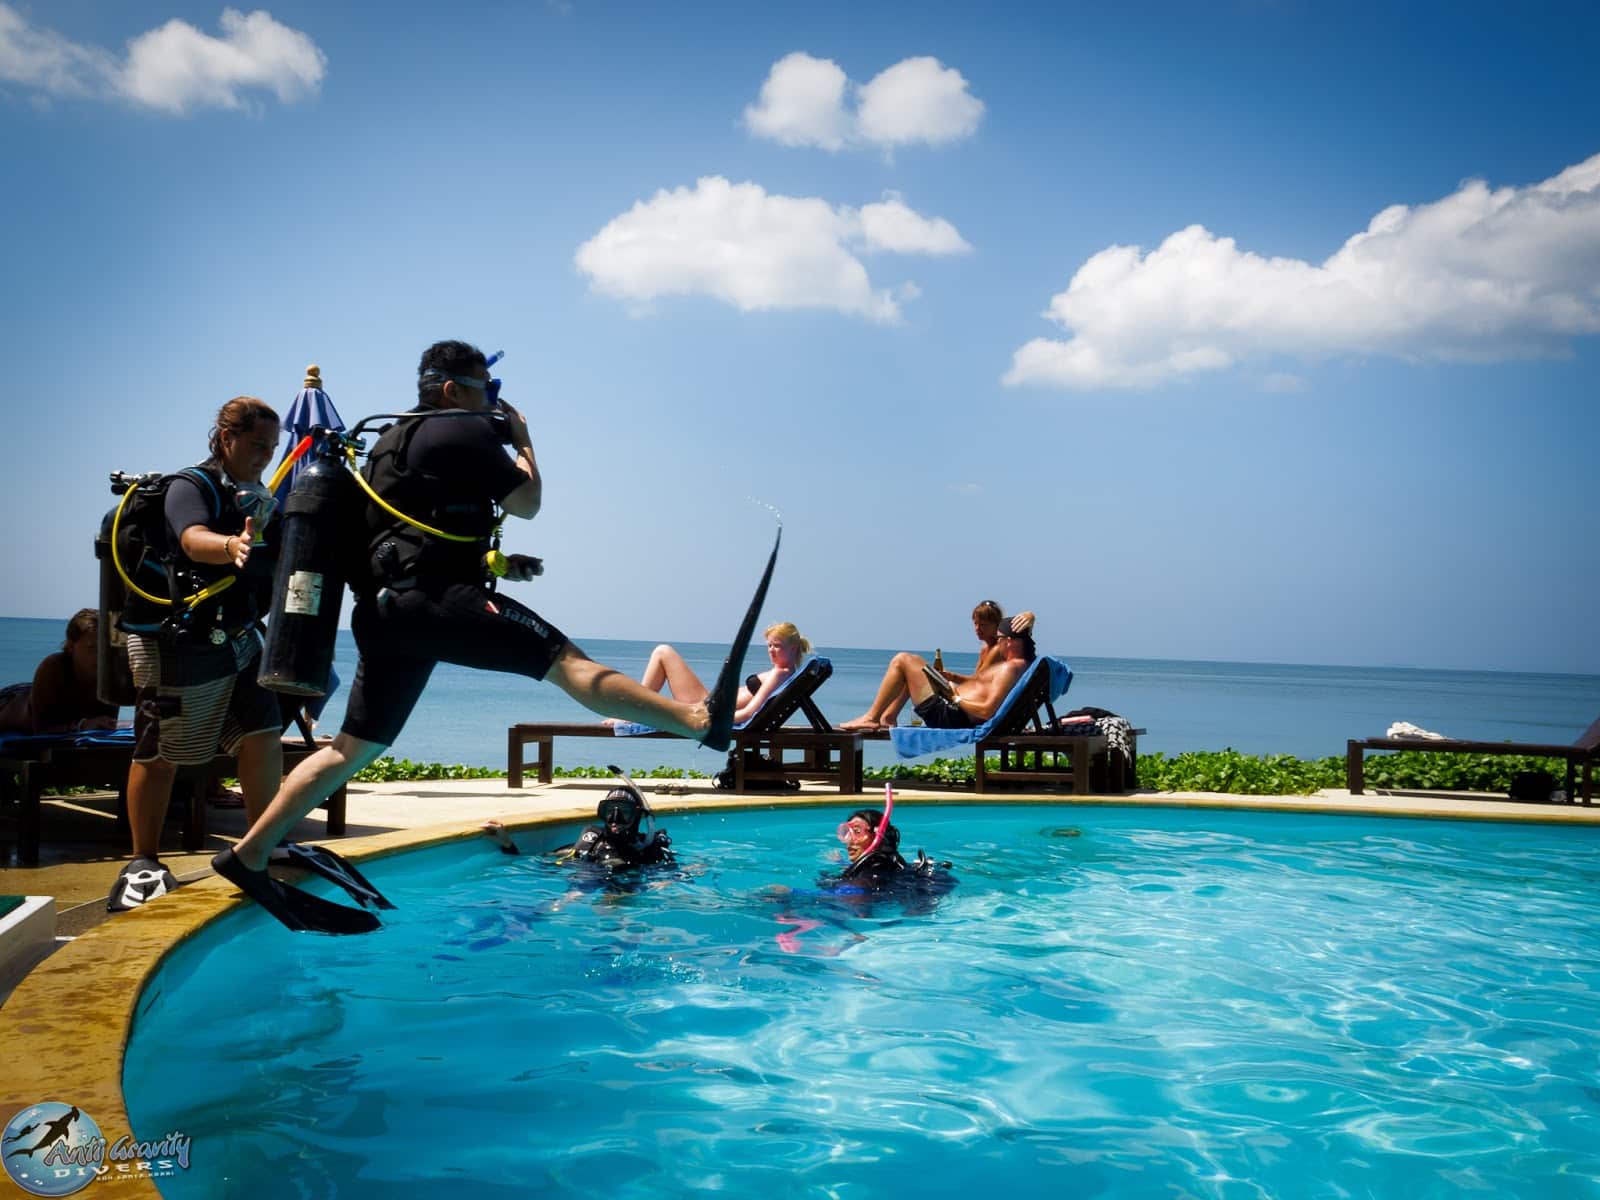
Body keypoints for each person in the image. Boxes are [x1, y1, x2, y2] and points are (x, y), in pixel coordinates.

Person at [213, 340, 748, 933]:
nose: (492, 402)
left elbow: (416, 532)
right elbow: (529, 501)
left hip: (389, 611)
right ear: (450, 390)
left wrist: (498, 567)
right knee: (565, 660)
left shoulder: (391, 445)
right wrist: (522, 438)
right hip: (438, 602)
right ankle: (697, 721)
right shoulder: (458, 430)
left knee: (351, 749)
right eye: (483, 391)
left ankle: (249, 854)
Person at [107, 397, 285, 912]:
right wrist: (231, 546)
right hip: (176, 638)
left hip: (237, 634)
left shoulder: (254, 493)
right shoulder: (191, 485)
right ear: (226, 438)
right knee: (160, 750)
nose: (265, 456)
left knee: (262, 733)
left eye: (272, 448)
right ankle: (142, 860)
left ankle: (258, 844)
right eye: (257, 445)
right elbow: (190, 538)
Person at [838, 603, 1033, 731]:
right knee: (920, 671)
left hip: (954, 714)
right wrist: (951, 680)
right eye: (975, 624)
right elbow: (980, 684)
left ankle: (873, 717)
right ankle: (888, 717)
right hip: (956, 709)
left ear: (1006, 639)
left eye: (983, 625)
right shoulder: (1008, 660)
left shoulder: (1005, 658)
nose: (978, 629)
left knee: (903, 660)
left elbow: (986, 708)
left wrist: (1029, 615)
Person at [605, 621, 810, 728]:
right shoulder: (787, 673)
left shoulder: (779, 674)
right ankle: (632, 713)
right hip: (709, 704)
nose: (771, 651)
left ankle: (631, 715)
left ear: (793, 648)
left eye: (778, 646)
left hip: (706, 709)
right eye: (769, 646)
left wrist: (711, 721)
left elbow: (749, 712)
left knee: (663, 652)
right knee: (662, 653)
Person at [0, 609, 119, 735]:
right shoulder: (54, 667)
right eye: (92, 648)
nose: (100, 656)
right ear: (71, 646)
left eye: (105, 648)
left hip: (32, 692)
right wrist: (83, 725)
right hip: (10, 701)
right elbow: (40, 729)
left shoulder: (110, 675)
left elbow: (108, 724)